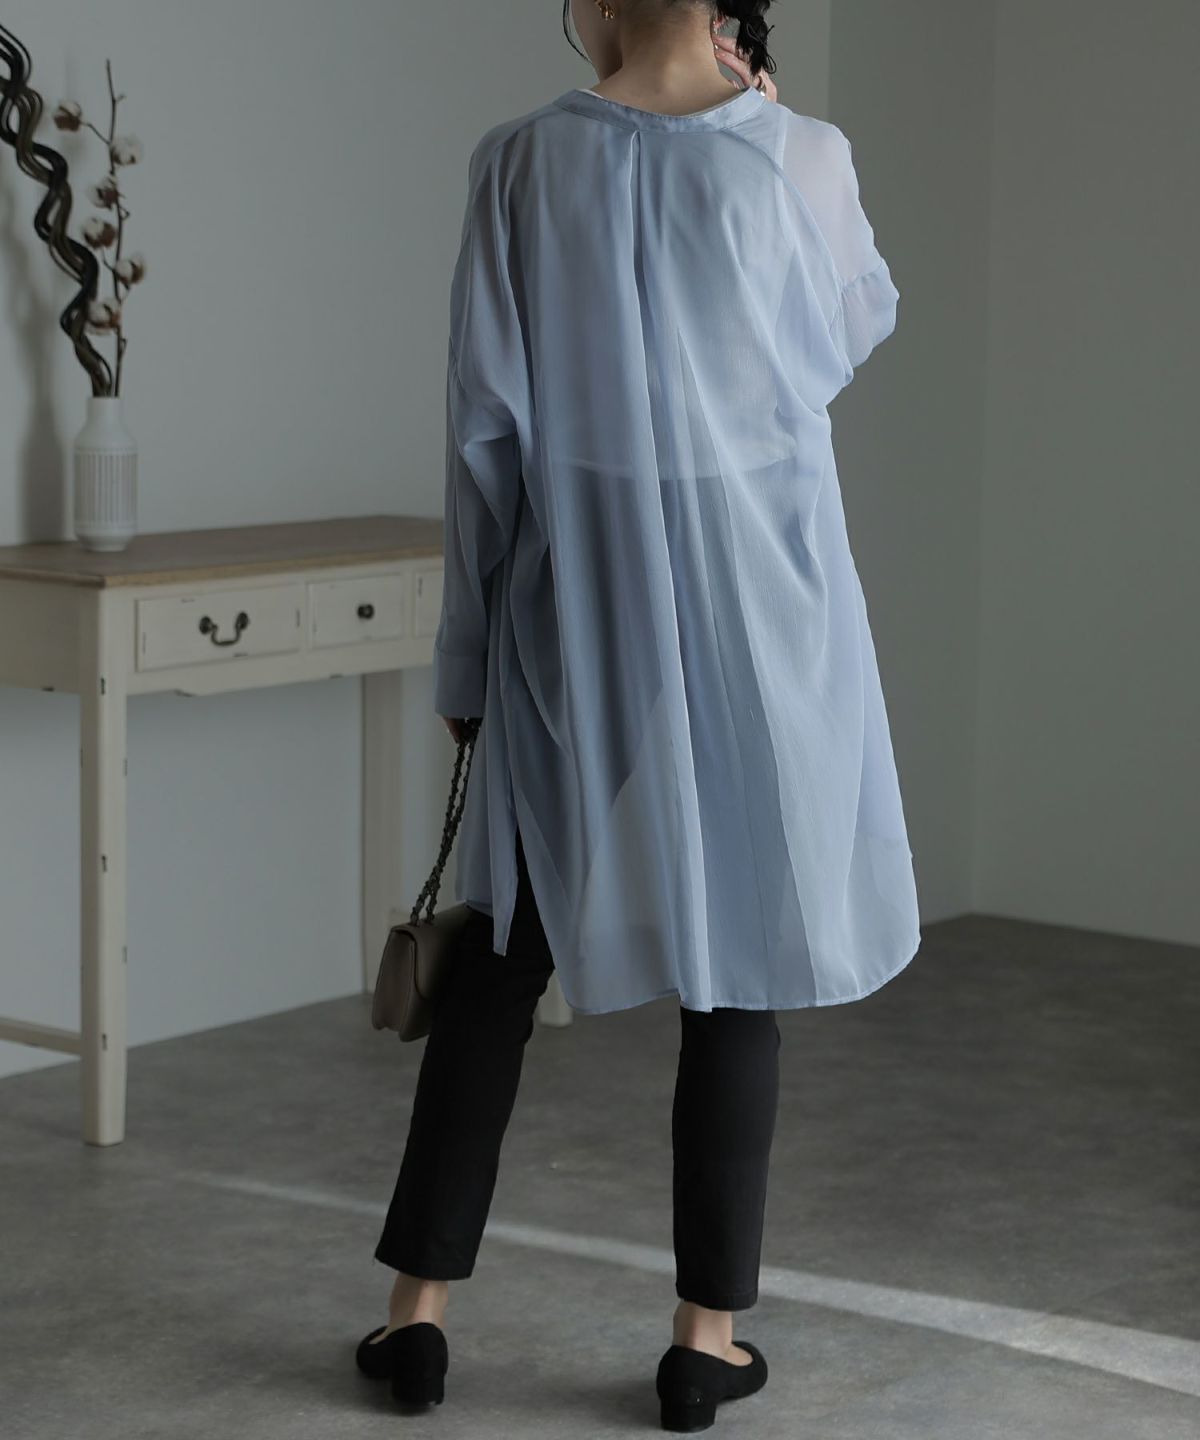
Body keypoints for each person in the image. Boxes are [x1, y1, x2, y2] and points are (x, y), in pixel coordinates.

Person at [357, 0, 920, 1430]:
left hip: (577, 590)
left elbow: (484, 432)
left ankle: (416, 1321)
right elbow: (851, 329)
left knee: (503, 952)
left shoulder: (517, 161)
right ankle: (702, 1340)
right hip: (759, 587)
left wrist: (467, 663)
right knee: (740, 958)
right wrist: (766, 132)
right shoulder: (800, 152)